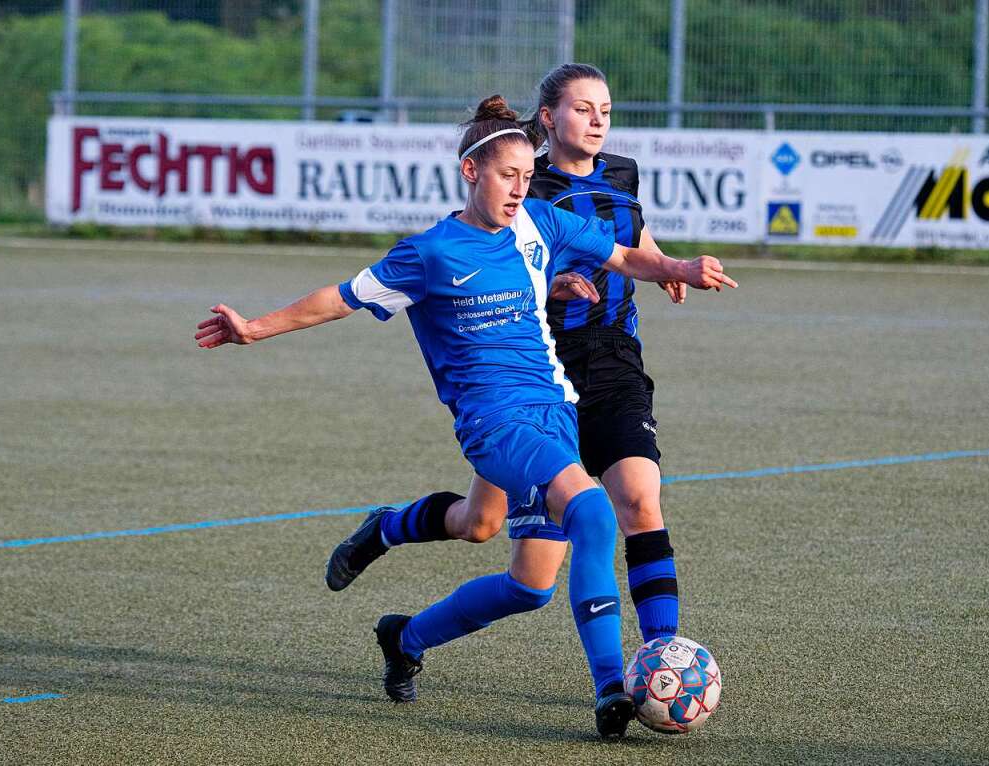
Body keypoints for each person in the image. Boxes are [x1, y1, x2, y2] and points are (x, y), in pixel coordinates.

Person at [198, 95, 734, 738]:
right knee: (592, 509)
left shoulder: (541, 222)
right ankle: (610, 689)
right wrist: (253, 328)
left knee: (526, 581)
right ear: (470, 172)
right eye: (508, 176)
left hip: (554, 409)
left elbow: (623, 256)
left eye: (527, 177)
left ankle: (405, 635)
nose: (519, 189)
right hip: (494, 423)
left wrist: (675, 267)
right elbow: (338, 300)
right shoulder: (429, 254)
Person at [328, 65, 735, 651]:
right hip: (536, 372)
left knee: (640, 502)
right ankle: (388, 530)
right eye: (583, 109)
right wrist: (555, 285)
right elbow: (491, 281)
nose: (597, 122)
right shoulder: (522, 186)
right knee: (480, 525)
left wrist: (671, 267)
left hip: (615, 359)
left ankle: (659, 654)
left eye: (606, 111)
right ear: (548, 118)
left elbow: (628, 243)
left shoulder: (623, 173)